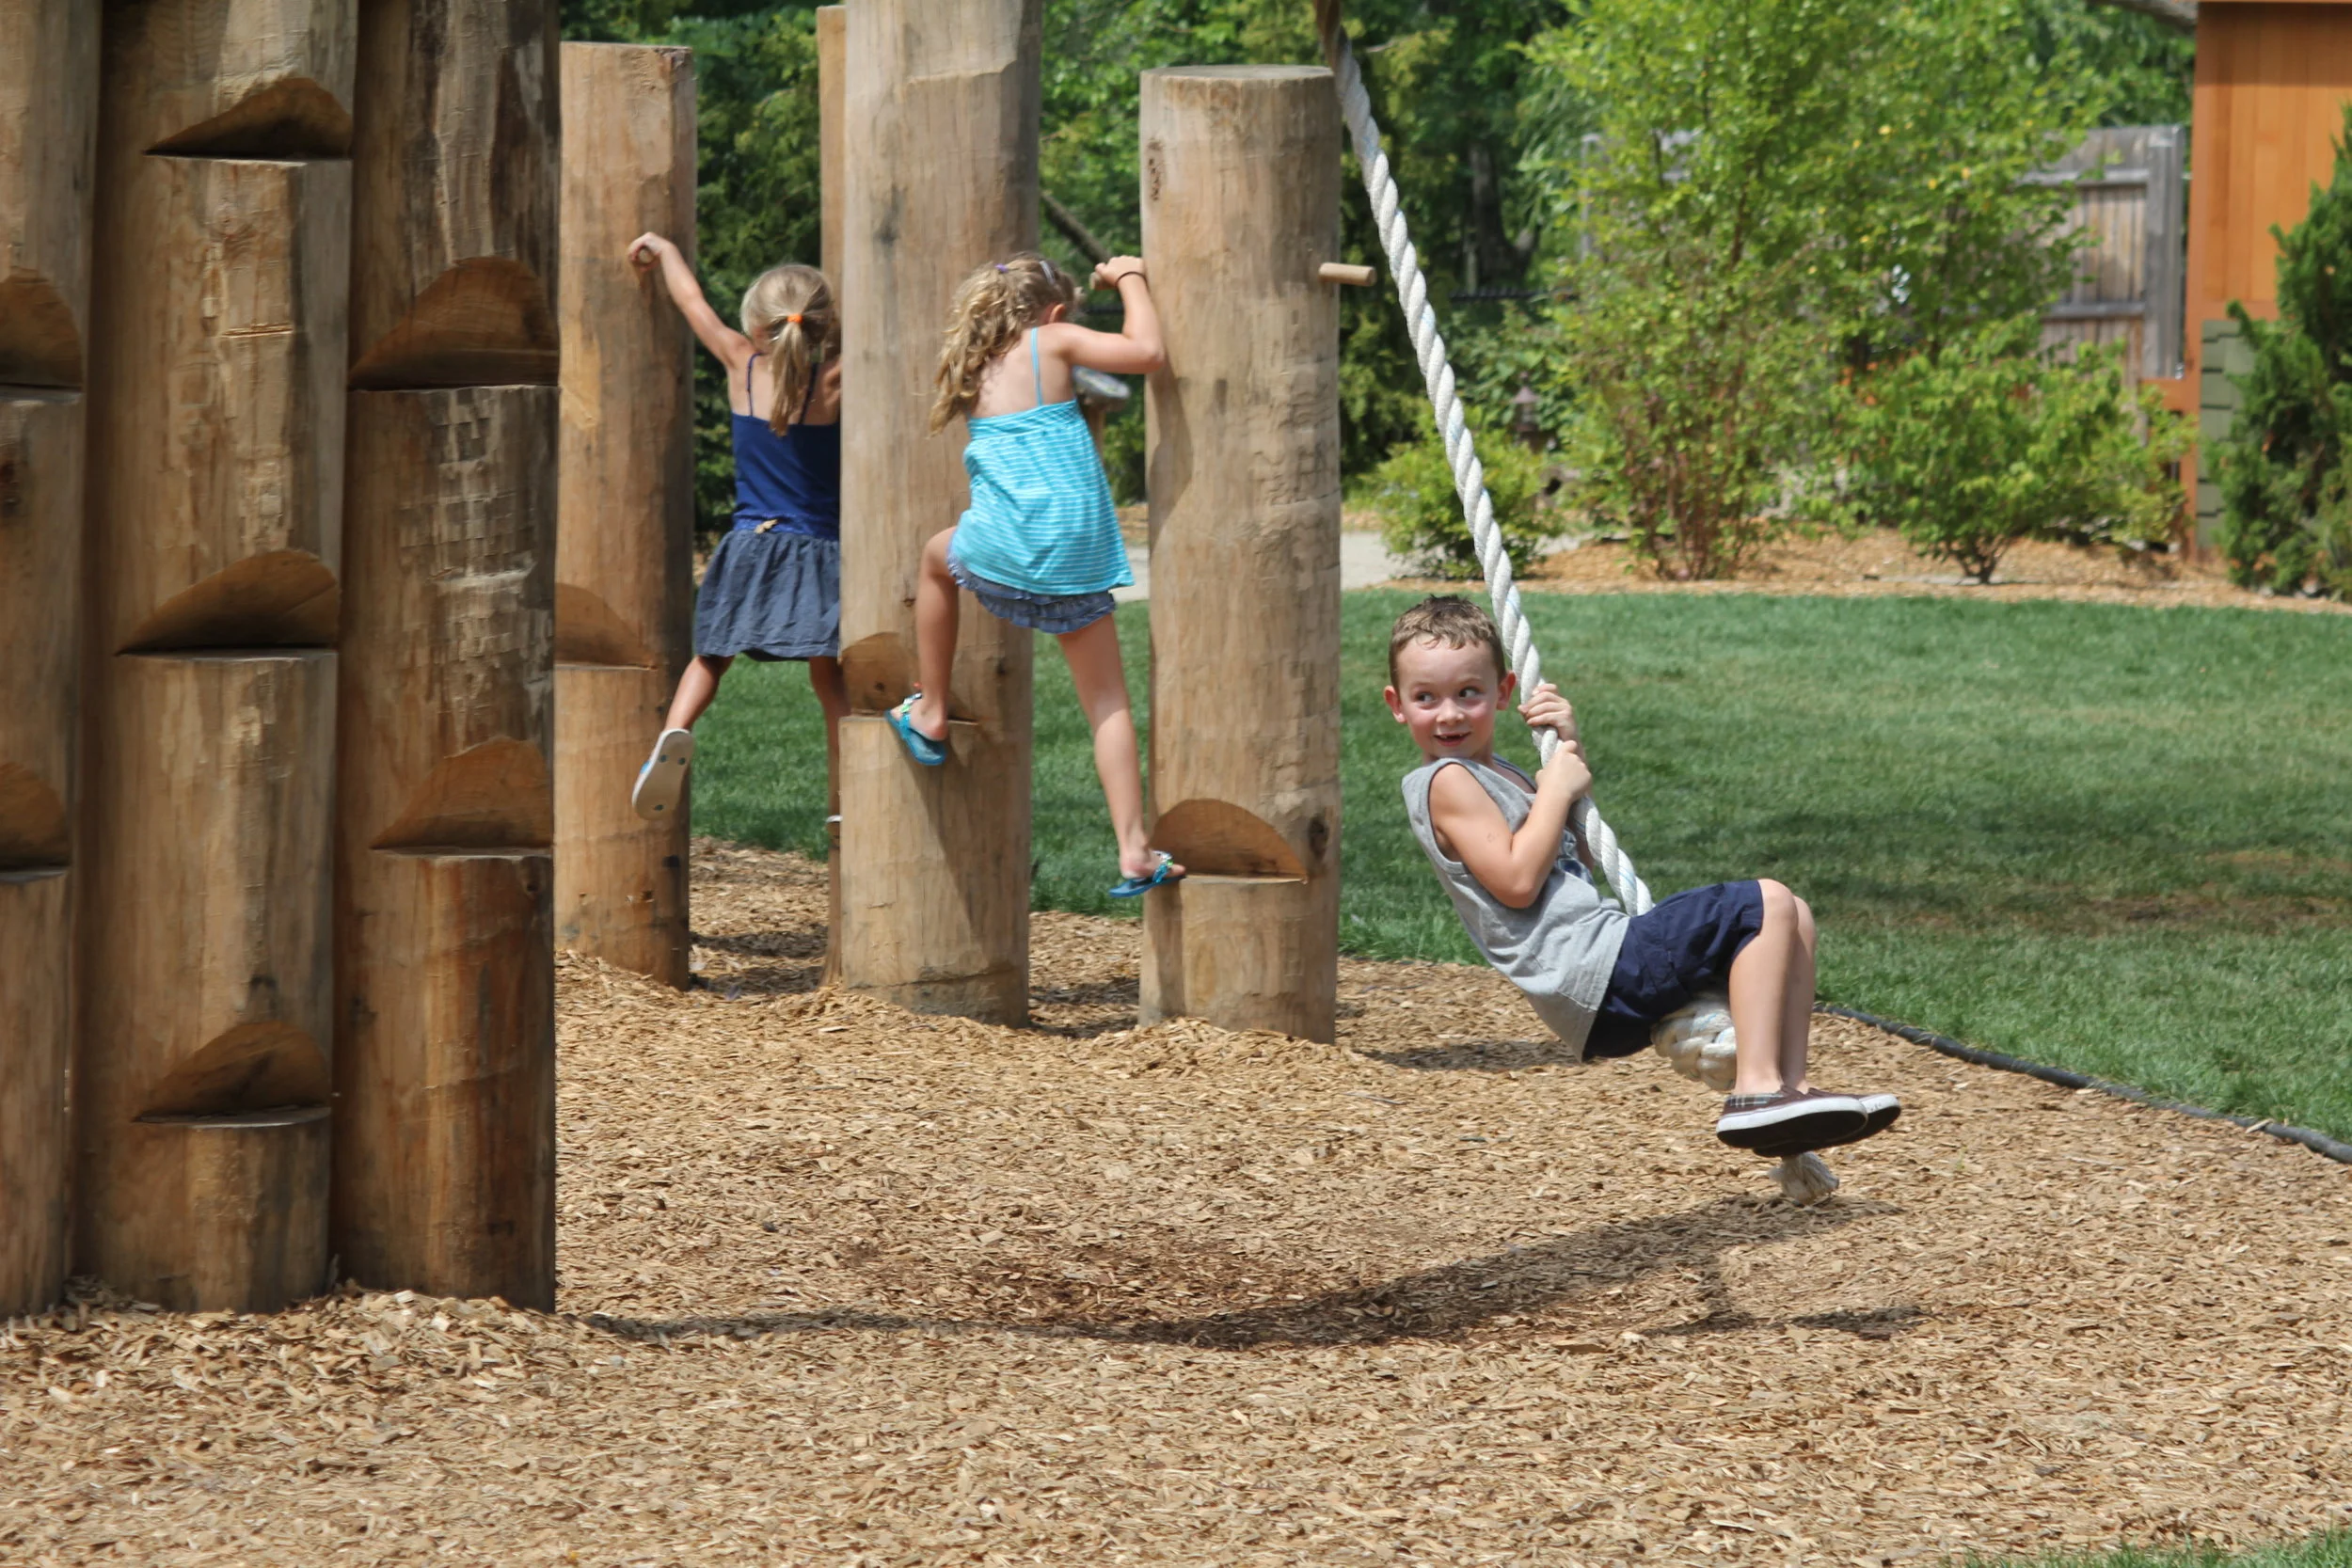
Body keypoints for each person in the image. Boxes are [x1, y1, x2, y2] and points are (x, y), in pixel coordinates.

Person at [1384, 595, 1900, 1157]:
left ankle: (1787, 1092)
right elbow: (1515, 881)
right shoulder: (1446, 781)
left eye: (1468, 693)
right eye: (1426, 698)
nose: (1450, 713)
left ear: (1503, 693)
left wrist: (1567, 753)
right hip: (1590, 974)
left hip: (1602, 978)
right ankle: (1755, 1091)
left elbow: (1573, 849)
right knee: (1765, 902)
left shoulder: (1500, 772)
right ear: (1398, 705)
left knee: (1794, 913)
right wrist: (1555, 787)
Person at [893, 252, 1179, 897]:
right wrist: (1130, 277)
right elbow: (1148, 350)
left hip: (1001, 550)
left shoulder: (976, 363)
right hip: (1074, 556)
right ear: (1053, 312)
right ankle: (1133, 848)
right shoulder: (1053, 339)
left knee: (936, 560)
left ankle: (931, 709)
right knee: (1107, 702)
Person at [623, 237, 847, 823]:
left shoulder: (739, 362)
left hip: (751, 543)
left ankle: (672, 736)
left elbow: (691, 301)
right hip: (819, 548)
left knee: (712, 657)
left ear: (755, 322)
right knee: (831, 676)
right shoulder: (837, 380)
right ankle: (848, 789)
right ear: (825, 326)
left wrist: (667, 250)